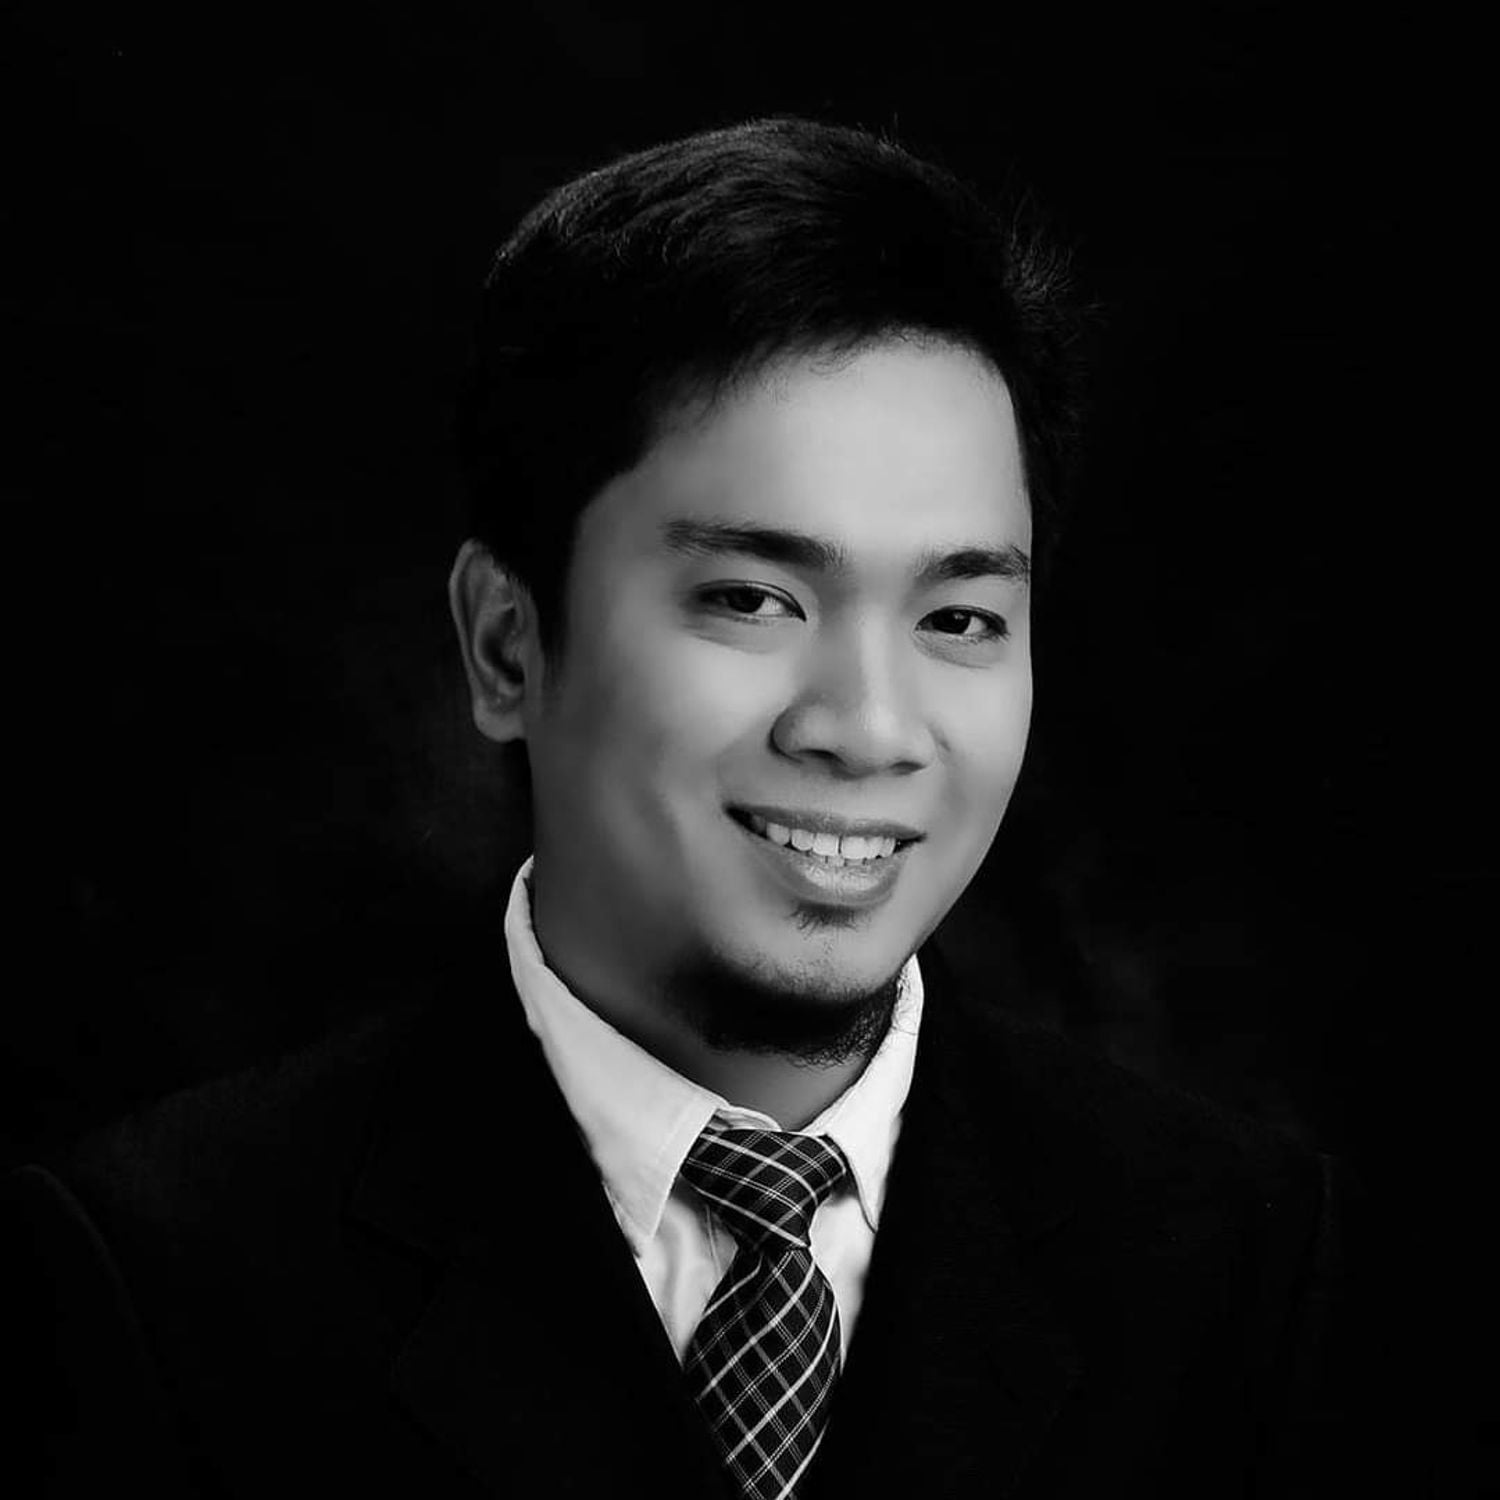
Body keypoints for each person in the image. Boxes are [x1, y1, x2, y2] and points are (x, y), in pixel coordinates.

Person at [6, 117, 1356, 1498]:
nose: (869, 727)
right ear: (506, 646)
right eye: (752, 599)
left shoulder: (1233, 1258)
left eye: (958, 617)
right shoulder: (158, 1279)